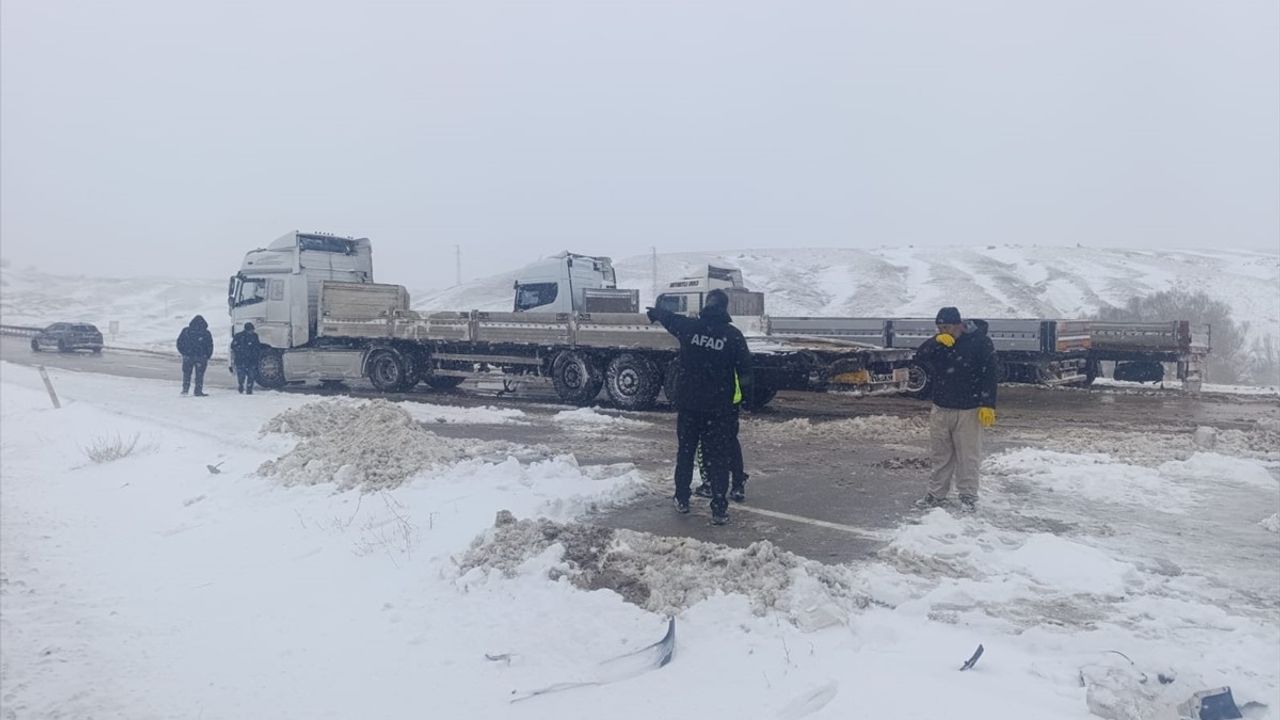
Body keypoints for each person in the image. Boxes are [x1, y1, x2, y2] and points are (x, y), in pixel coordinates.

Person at [647, 289, 753, 525]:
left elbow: (670, 319)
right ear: (725, 308)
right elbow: (745, 372)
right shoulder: (733, 336)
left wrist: (657, 312)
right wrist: (747, 399)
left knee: (685, 452)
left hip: (689, 406)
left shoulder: (689, 328)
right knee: (717, 457)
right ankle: (719, 508)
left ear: (707, 305)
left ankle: (682, 498)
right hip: (719, 409)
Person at [913, 306, 998, 511]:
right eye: (940, 327)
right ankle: (936, 494)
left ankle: (968, 495)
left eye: (947, 327)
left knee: (968, 455)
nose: (944, 331)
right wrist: (934, 341)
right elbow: (918, 357)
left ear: (959, 324)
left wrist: (988, 404)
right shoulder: (941, 343)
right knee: (941, 455)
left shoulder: (980, 342)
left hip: (969, 410)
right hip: (941, 408)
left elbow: (990, 373)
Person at [694, 371, 749, 502]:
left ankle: (709, 482)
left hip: (714, 398)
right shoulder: (734, 351)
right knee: (731, 441)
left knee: (705, 441)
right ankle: (738, 483)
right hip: (731, 398)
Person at [176, 315, 214, 397]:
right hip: (201, 357)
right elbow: (210, 345)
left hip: (188, 356)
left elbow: (179, 342)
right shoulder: (206, 333)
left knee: (186, 374)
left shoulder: (186, 331)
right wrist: (207, 355)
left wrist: (184, 352)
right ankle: (198, 391)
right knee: (199, 375)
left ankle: (185, 390)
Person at [229, 322, 262, 394]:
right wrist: (241, 350)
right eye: (251, 330)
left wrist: (256, 354)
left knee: (251, 375)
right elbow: (233, 346)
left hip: (250, 359)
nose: (252, 331)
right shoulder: (239, 336)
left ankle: (249, 389)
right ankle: (241, 386)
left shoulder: (254, 336)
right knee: (242, 376)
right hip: (242, 359)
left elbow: (257, 346)